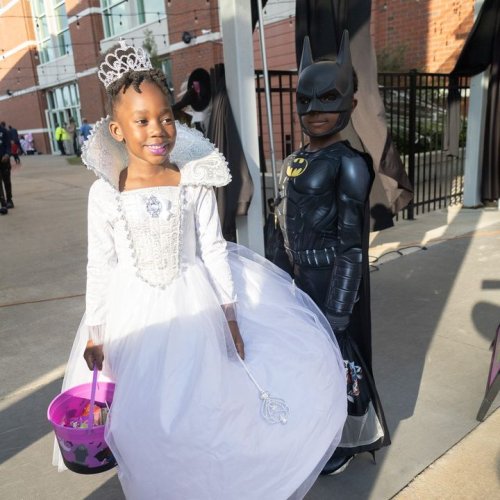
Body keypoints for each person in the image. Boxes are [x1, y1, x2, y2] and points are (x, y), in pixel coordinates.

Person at [53, 42, 348, 499]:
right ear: (117, 129)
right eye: (142, 120)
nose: (158, 130)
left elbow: (213, 248)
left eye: (166, 116)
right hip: (134, 315)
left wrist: (230, 315)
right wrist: (95, 331)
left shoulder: (193, 181)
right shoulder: (105, 194)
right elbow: (101, 264)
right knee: (143, 412)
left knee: (199, 405)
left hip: (195, 304)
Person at [272, 32, 390, 475]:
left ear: (350, 103)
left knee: (339, 362)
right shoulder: (294, 159)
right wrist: (276, 278)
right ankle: (312, 429)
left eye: (327, 99)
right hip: (297, 281)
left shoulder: (351, 162)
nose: (314, 111)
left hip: (330, 281)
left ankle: (346, 439)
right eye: (305, 100)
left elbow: (352, 244)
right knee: (302, 362)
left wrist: (340, 309)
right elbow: (281, 222)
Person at [0, 121, 13, 212]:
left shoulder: (4, 131)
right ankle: (3, 203)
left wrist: (7, 154)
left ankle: (9, 200)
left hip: (4, 160)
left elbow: (8, 145)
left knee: (7, 181)